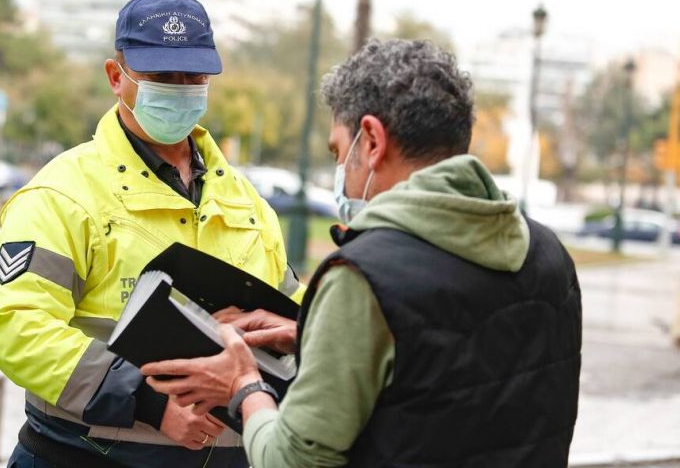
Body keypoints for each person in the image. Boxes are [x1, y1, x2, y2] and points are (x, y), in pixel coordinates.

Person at [143, 39, 583, 467]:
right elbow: (458, 374)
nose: (341, 174)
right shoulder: (549, 255)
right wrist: (317, 333)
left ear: (371, 141)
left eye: (338, 151)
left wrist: (242, 385)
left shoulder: (364, 276)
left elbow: (291, 460)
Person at [0, 0, 302, 468]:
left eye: (192, 75)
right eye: (160, 76)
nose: (178, 88)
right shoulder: (60, 194)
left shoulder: (249, 201)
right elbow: (22, 332)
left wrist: (294, 332)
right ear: (117, 77)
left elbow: (292, 319)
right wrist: (150, 404)